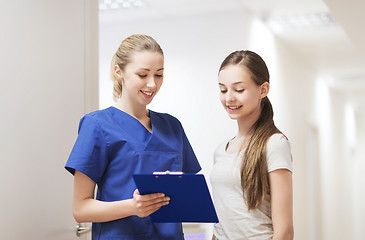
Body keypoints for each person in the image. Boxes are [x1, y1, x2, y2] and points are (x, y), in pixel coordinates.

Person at [65, 34, 201, 240]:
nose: (152, 84)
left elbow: (186, 196)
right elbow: (81, 209)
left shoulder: (172, 126)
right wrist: (133, 207)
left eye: (159, 75)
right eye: (142, 75)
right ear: (119, 72)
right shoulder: (98, 125)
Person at [210, 50, 294, 240]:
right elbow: (221, 225)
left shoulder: (274, 144)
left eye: (239, 90)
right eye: (223, 89)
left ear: (263, 90)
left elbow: (285, 232)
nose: (229, 98)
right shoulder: (221, 151)